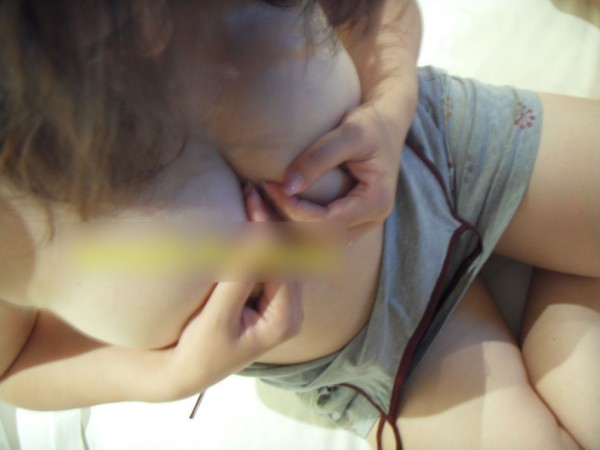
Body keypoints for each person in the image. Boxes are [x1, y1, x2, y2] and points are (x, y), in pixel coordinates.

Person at [0, 2, 598, 450]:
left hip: (449, 148)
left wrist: (389, 109)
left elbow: (381, 10)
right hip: (379, 350)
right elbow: (11, 361)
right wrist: (170, 376)